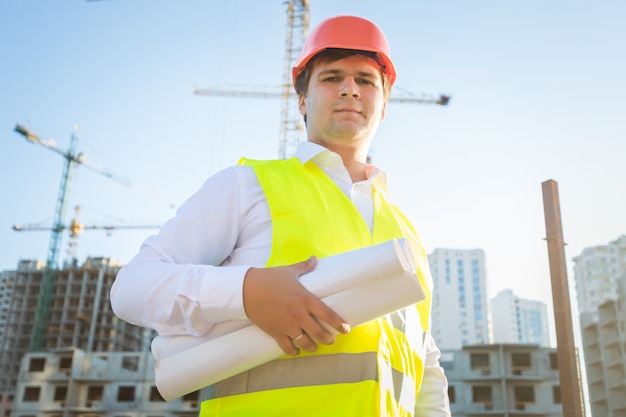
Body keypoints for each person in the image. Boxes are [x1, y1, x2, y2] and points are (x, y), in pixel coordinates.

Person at [111, 15, 451, 417]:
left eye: (365, 80)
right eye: (331, 77)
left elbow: (424, 366)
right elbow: (131, 287)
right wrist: (246, 292)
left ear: (384, 104)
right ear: (303, 100)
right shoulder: (247, 185)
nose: (349, 89)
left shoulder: (406, 234)